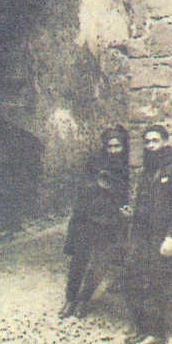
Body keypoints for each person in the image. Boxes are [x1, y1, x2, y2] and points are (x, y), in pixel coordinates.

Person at [122, 125, 172, 344]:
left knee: (157, 284)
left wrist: (171, 238)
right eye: (147, 142)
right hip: (144, 235)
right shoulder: (149, 169)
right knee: (138, 279)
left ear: (165, 142)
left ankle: (157, 333)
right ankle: (143, 329)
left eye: (155, 141)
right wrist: (133, 213)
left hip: (163, 236)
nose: (151, 146)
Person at [59, 125, 131, 319]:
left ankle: (84, 300)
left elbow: (124, 195)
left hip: (109, 222)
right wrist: (96, 186)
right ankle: (70, 299)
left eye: (117, 146)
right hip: (87, 219)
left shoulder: (125, 168)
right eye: (110, 146)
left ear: (123, 147)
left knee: (100, 263)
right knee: (79, 260)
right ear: (104, 147)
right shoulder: (94, 163)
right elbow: (82, 190)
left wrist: (124, 209)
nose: (114, 150)